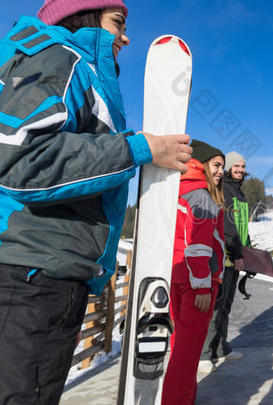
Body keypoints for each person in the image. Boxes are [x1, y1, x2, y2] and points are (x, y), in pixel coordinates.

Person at [0, 1, 191, 403]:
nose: (125, 37)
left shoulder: (76, 70)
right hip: (31, 274)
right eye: (118, 23)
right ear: (83, 17)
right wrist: (138, 149)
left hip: (47, 271)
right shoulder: (58, 59)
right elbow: (19, 160)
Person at [162, 141, 226, 405]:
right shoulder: (202, 196)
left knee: (179, 349)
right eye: (217, 164)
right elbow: (198, 244)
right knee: (187, 357)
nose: (221, 171)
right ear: (200, 164)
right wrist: (202, 286)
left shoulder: (177, 192)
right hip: (196, 285)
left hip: (178, 279)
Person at [199, 151, 250, 371]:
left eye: (243, 166)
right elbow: (228, 226)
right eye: (236, 166)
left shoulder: (240, 192)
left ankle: (221, 347)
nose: (240, 170)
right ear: (228, 167)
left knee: (226, 305)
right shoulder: (224, 189)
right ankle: (204, 353)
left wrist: (249, 254)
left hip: (236, 255)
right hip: (224, 256)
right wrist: (237, 253)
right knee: (216, 305)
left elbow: (242, 228)